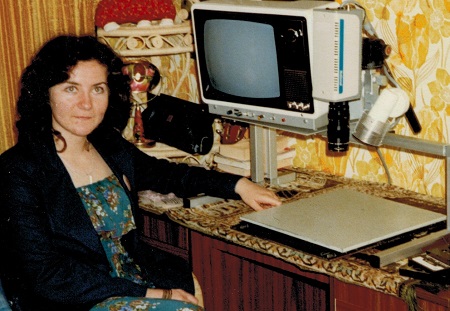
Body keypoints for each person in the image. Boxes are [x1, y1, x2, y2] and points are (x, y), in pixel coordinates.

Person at [0, 35, 281, 311]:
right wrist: (153, 293)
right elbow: (48, 276)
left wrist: (239, 185)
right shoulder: (18, 170)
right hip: (75, 299)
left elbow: (169, 175)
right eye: (71, 89)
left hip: (131, 282)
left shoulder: (109, 147)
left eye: (97, 89)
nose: (86, 104)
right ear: (45, 93)